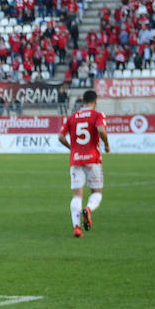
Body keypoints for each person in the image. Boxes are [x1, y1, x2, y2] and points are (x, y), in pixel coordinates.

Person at [58, 89, 110, 238]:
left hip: (76, 159)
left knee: (77, 195)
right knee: (97, 194)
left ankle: (76, 228)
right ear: (96, 101)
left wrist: (71, 148)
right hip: (92, 160)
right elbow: (101, 130)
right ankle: (88, 209)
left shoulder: (72, 117)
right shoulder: (97, 115)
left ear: (82, 101)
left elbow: (60, 137)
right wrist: (106, 144)